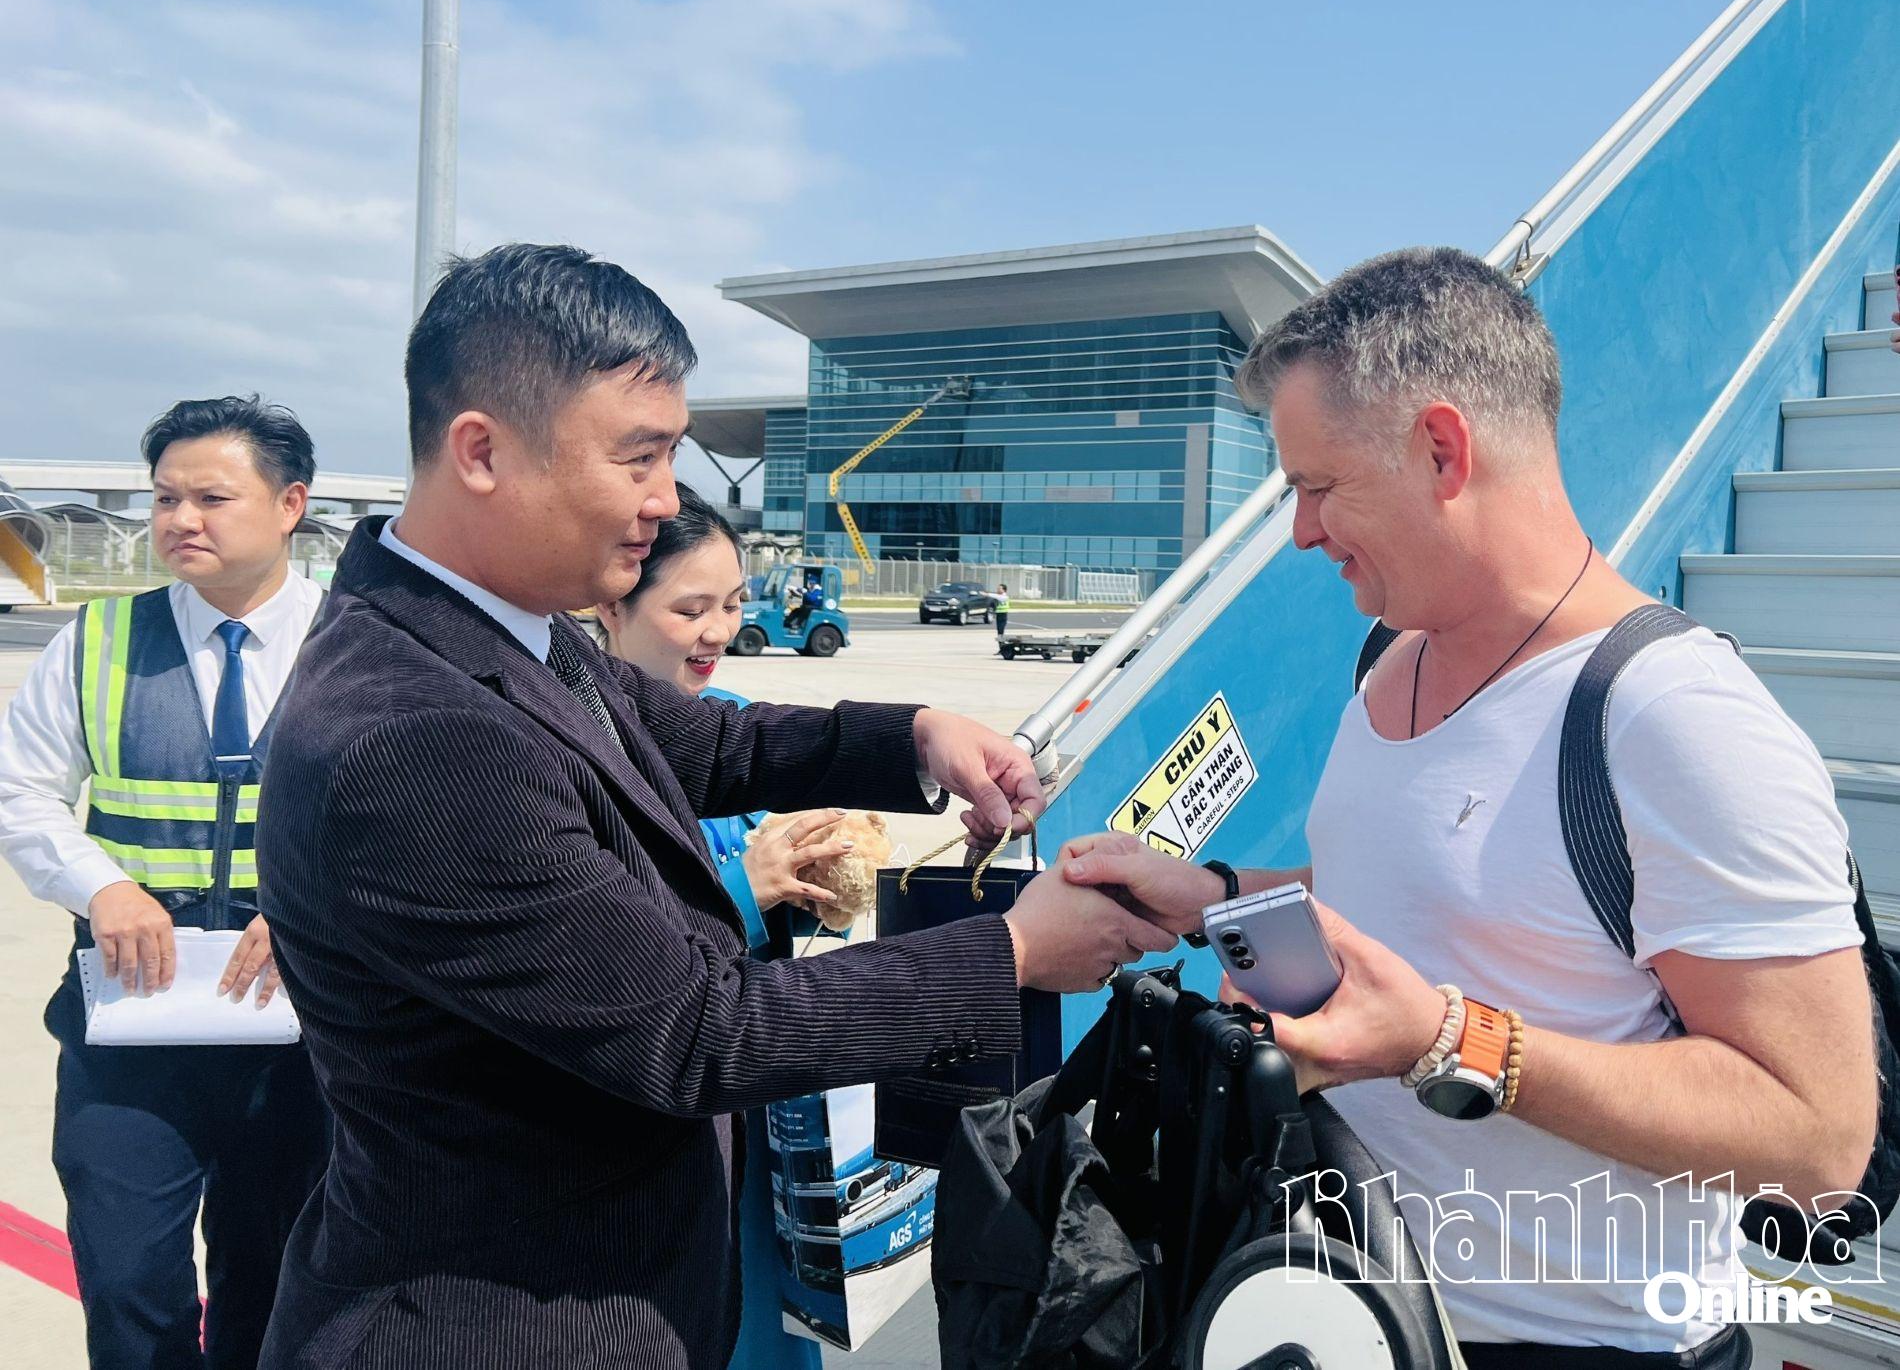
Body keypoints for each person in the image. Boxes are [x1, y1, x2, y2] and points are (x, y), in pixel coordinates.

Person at [253, 242, 1172, 1370]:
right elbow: (698, 1032)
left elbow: (712, 742)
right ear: (482, 451)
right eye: (637, 457)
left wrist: (916, 737)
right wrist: (1011, 953)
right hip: (506, 1327)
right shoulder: (415, 732)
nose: (664, 500)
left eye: (673, 455)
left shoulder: (508, 630)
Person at [1062, 248, 1872, 1367]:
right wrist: (1212, 894)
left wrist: (1451, 1042)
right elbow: (1430, 893)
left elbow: (1816, 1141)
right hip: (1352, 1308)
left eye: (1319, 486)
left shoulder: (1675, 716)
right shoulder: (1387, 656)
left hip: (1588, 1349)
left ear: (1442, 449)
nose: (1302, 530)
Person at [0, 396, 332, 1369]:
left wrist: (321, 912)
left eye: (211, 497)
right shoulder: (97, 640)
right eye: (164, 498)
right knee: (126, 1278)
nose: (181, 518)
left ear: (290, 505)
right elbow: (21, 790)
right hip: (135, 1024)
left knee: (275, 1283)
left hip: (302, 1030)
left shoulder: (359, 643)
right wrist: (99, 885)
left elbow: (423, 812)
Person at [594, 484, 842, 1370]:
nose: (717, 631)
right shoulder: (572, 751)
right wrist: (744, 887)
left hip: (760, 1100)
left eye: (732, 605)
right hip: (655, 1119)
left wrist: (821, 883)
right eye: (690, 608)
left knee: (772, 1321)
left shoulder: (734, 724)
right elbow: (604, 958)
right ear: (611, 603)